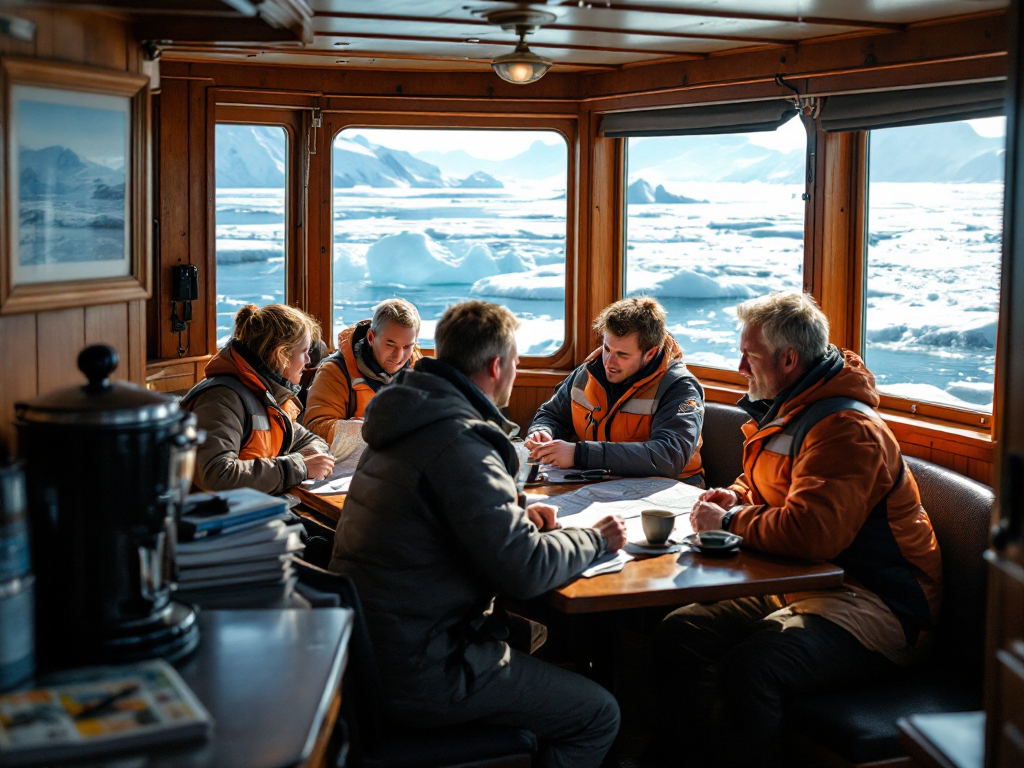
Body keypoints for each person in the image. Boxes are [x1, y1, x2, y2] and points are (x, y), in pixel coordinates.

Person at [645, 292, 943, 768]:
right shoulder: (791, 407)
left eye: (751, 356)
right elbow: (769, 483)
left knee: (754, 666)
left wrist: (727, 521)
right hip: (807, 584)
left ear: (789, 359)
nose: (741, 367)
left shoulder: (845, 428)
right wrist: (736, 496)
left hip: (875, 604)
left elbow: (812, 532)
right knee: (682, 631)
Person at [329, 300, 625, 768]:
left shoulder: (409, 420)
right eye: (517, 362)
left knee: (534, 639)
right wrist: (596, 540)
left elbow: (442, 520)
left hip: (371, 655)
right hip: (425, 668)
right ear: (497, 366)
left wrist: (515, 517)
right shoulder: (459, 440)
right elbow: (526, 572)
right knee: (598, 714)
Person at [526, 297, 705, 483]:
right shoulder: (587, 372)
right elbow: (552, 415)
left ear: (650, 353)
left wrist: (580, 455)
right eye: (606, 348)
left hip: (671, 491)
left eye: (622, 355)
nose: (609, 362)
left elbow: (668, 457)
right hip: (601, 483)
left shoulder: (680, 388)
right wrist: (542, 431)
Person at [181, 303, 335, 494]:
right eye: (304, 351)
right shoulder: (222, 399)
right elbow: (216, 475)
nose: (308, 361)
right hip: (211, 519)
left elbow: (310, 440)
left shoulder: (271, 397)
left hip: (250, 510)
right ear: (281, 355)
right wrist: (300, 467)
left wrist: (311, 457)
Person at [303, 297, 422, 442]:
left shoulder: (419, 371)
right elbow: (315, 430)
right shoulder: (334, 371)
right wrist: (361, 429)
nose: (398, 357)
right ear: (371, 338)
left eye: (407, 347)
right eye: (390, 344)